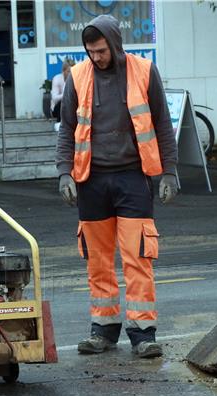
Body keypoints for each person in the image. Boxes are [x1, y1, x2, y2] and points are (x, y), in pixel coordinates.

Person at [55, 15, 179, 359]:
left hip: (132, 178)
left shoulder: (143, 71)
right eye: (90, 51)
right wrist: (64, 173)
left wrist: (169, 172)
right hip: (91, 180)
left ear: (114, 43)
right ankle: (103, 330)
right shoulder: (78, 76)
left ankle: (143, 333)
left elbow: (162, 123)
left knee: (138, 257)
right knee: (97, 261)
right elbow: (66, 129)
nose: (96, 57)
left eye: (100, 50)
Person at [51, 58, 75, 122]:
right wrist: (67, 94)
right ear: (63, 71)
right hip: (57, 108)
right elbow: (54, 98)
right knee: (63, 103)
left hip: (71, 107)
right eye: (69, 71)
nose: (71, 74)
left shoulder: (76, 79)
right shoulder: (57, 79)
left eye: (73, 71)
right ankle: (60, 125)